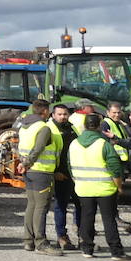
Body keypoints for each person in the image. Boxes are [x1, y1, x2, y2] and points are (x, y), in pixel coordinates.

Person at [69, 112, 130, 260]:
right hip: (104, 188)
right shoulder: (104, 144)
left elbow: (69, 166)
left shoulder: (74, 144)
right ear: (98, 126)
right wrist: (119, 186)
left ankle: (87, 249)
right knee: (109, 219)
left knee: (86, 218)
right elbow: (115, 168)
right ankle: (116, 252)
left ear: (84, 126)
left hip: (83, 188)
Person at [16, 99, 61, 255]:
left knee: (32, 205)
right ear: (45, 112)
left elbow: (22, 148)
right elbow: (38, 148)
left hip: (29, 171)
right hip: (41, 171)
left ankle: (28, 240)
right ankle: (41, 242)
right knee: (41, 207)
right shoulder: (43, 128)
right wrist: (28, 162)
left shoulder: (24, 127)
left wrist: (23, 163)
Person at [47, 104, 80, 250]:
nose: (62, 116)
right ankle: (62, 236)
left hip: (74, 172)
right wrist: (55, 172)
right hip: (61, 173)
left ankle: (82, 234)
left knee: (81, 204)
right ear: (53, 115)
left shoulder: (72, 127)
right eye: (59, 114)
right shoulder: (49, 129)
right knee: (61, 205)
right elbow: (49, 153)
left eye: (65, 114)